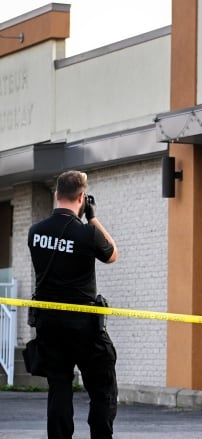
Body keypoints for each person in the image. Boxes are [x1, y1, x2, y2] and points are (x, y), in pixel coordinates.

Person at [28, 170, 119, 439]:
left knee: (59, 387)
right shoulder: (87, 233)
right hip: (83, 325)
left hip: (49, 323)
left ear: (56, 195)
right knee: (102, 387)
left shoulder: (35, 232)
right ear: (82, 197)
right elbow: (112, 254)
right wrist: (92, 217)